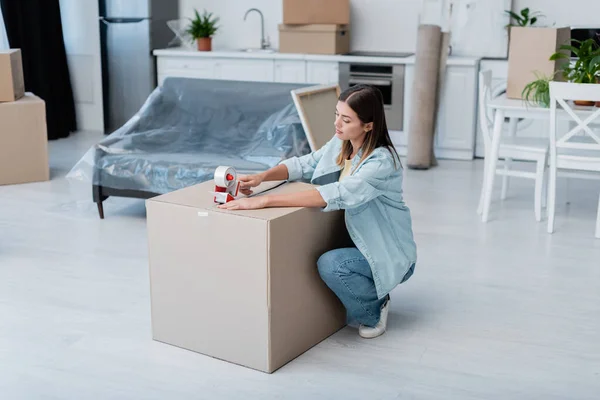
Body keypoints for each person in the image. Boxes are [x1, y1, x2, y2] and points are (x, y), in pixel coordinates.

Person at [218, 84, 417, 339]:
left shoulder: (382, 162)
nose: (337, 124)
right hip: (358, 237)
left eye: (346, 120)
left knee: (333, 265)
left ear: (369, 125)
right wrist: (262, 177)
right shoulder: (341, 142)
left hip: (386, 248)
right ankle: (367, 291)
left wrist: (263, 201)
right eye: (336, 114)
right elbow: (306, 163)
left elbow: (338, 192)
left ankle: (376, 308)